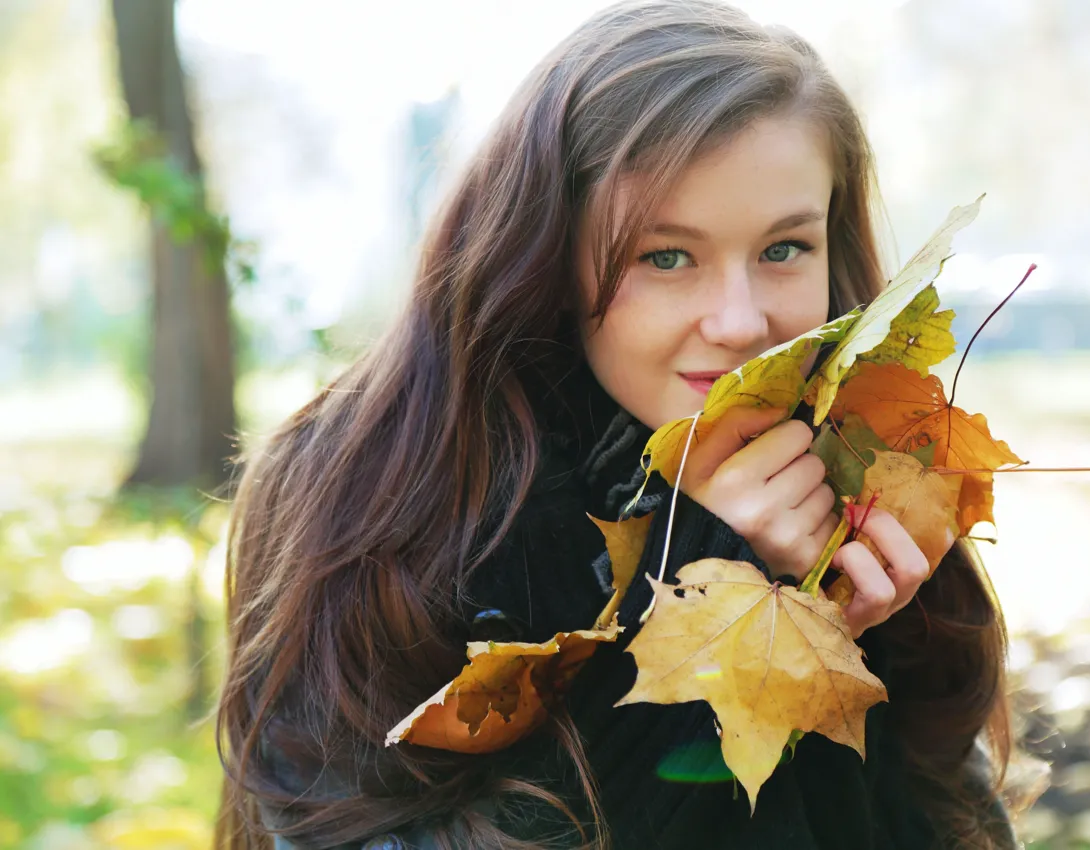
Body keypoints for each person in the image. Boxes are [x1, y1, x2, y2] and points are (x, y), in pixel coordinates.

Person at [215, 1, 1017, 847]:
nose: (741, 322)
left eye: (784, 249)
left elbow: (948, 812)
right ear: (545, 251)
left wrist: (846, 646)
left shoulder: (860, 463)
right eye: (665, 257)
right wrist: (712, 604)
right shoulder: (367, 494)